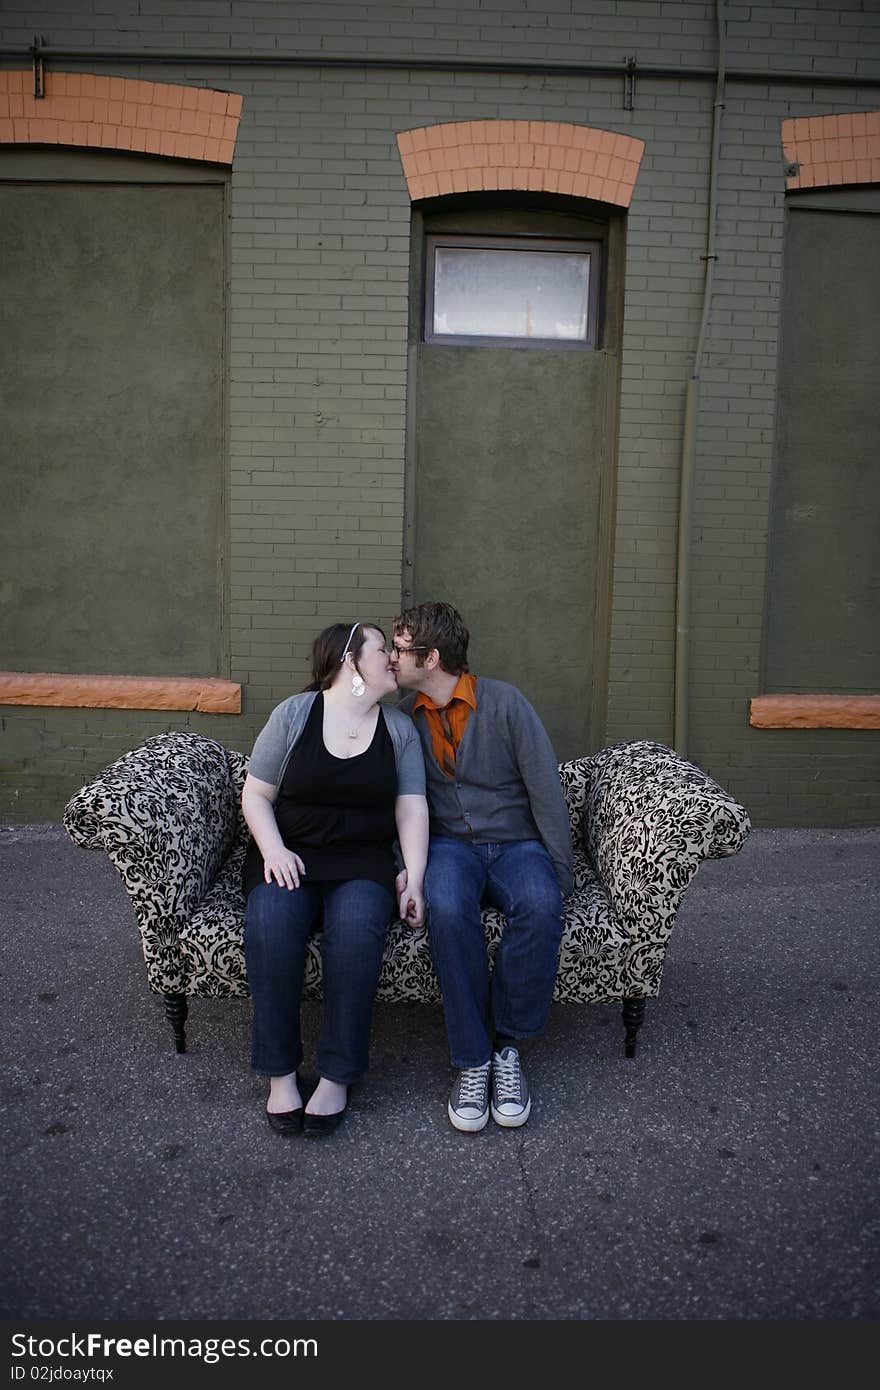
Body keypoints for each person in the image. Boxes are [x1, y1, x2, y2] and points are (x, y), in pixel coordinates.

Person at [241, 621, 428, 1139]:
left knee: (356, 937)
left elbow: (411, 809)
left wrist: (413, 877)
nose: (393, 657)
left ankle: (337, 1075)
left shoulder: (398, 729)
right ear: (351, 661)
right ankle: (279, 1074)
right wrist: (273, 849)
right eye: (382, 649)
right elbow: (256, 795)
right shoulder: (295, 715)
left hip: (363, 863)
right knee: (273, 929)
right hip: (289, 858)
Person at [391, 602, 572, 1133]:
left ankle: (507, 1048)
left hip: (517, 845)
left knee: (540, 903)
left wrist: (560, 871)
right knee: (447, 907)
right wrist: (406, 871)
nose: (394, 659)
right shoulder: (402, 718)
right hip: (448, 847)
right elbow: (396, 803)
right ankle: (472, 1059)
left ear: (433, 656)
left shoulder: (507, 703)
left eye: (402, 649)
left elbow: (545, 788)